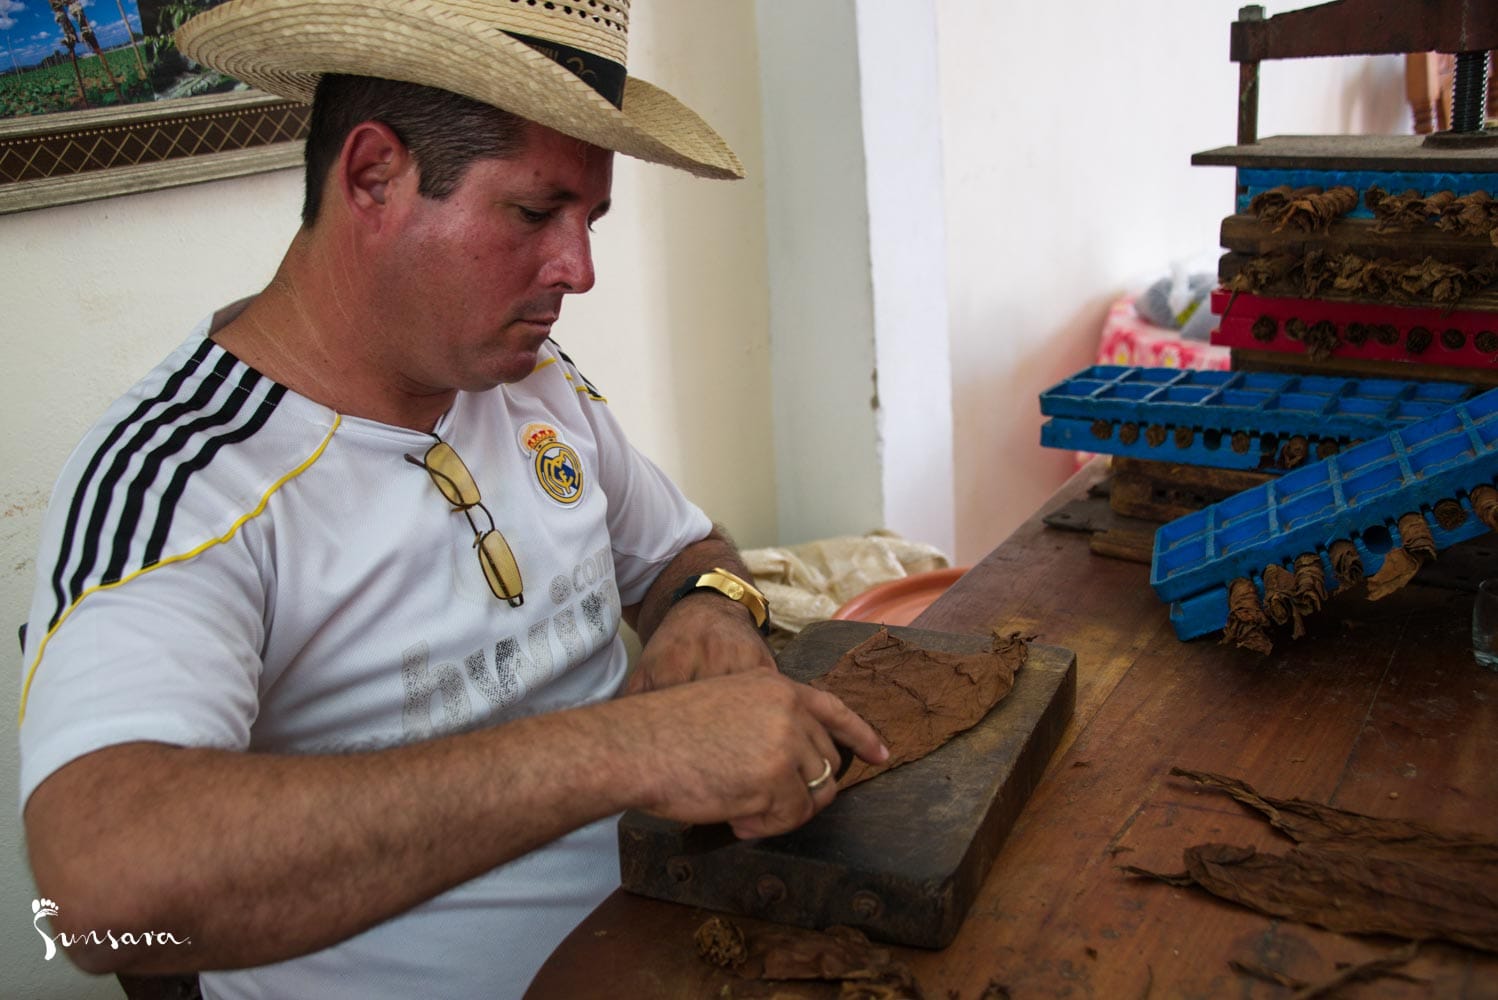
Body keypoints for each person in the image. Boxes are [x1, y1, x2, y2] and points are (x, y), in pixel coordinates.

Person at [16, 2, 888, 998]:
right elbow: (98, 890)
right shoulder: (184, 477)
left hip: (684, 947)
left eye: (591, 220)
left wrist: (708, 610)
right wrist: (630, 749)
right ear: (373, 177)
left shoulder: (529, 380)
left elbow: (685, 552)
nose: (579, 270)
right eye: (534, 213)